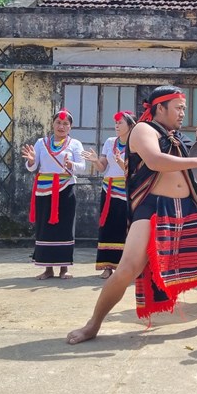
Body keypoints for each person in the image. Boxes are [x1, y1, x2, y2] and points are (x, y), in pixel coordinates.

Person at [66, 86, 197, 345]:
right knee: (126, 270)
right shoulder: (143, 130)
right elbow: (156, 161)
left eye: (184, 108)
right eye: (178, 108)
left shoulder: (177, 137)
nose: (183, 113)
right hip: (153, 207)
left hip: (188, 207)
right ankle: (93, 324)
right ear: (160, 108)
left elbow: (189, 173)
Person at [21, 108, 85, 280]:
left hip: (65, 189)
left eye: (65, 124)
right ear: (52, 124)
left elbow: (82, 167)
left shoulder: (75, 144)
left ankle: (64, 268)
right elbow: (33, 167)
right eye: (58, 122)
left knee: (65, 228)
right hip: (44, 190)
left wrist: (71, 164)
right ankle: (47, 268)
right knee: (45, 228)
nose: (61, 126)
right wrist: (31, 160)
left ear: (70, 127)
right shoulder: (41, 143)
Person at [82, 111, 137, 279]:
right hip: (109, 189)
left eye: (120, 123)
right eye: (116, 123)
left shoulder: (136, 144)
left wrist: (122, 164)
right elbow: (102, 168)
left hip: (127, 190)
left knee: (126, 227)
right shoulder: (110, 142)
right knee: (108, 227)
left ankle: (127, 267)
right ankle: (108, 266)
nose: (116, 126)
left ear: (130, 125)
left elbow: (134, 172)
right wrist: (95, 160)